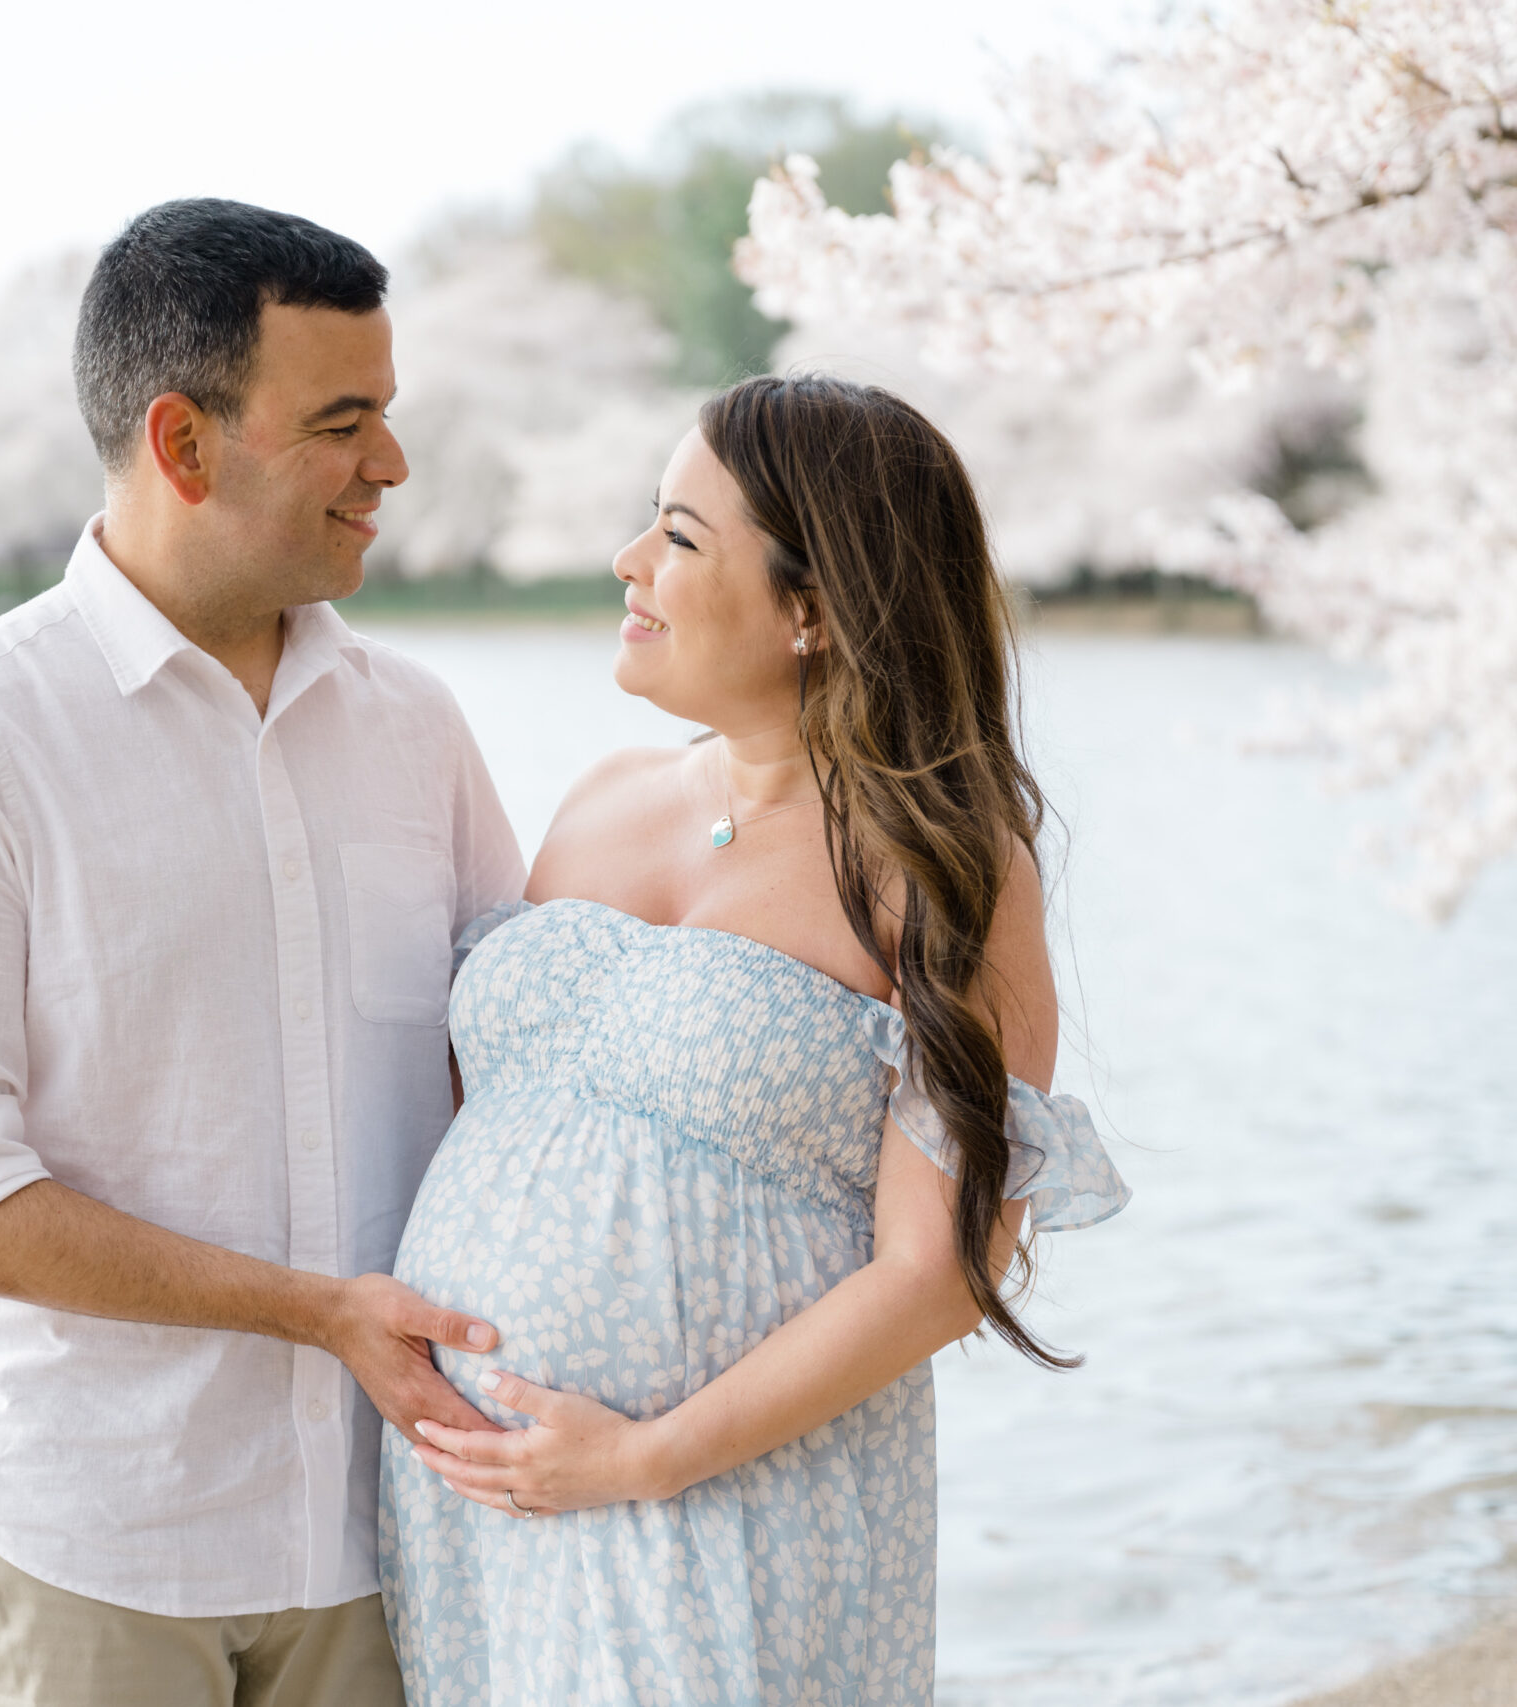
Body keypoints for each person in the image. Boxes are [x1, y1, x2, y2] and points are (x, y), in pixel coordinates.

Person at [0, 198, 523, 1707]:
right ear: (183, 443)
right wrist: (314, 1311)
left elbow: (515, 1081)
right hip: (91, 1542)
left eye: (388, 417)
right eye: (344, 423)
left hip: (385, 1538)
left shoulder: (418, 729)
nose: (391, 467)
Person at [377, 373, 1131, 1704]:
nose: (628, 561)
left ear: (816, 609)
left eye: (678, 536)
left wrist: (639, 1458)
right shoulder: (604, 800)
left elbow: (937, 1270)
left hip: (726, 1500)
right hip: (483, 1502)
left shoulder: (941, 866)